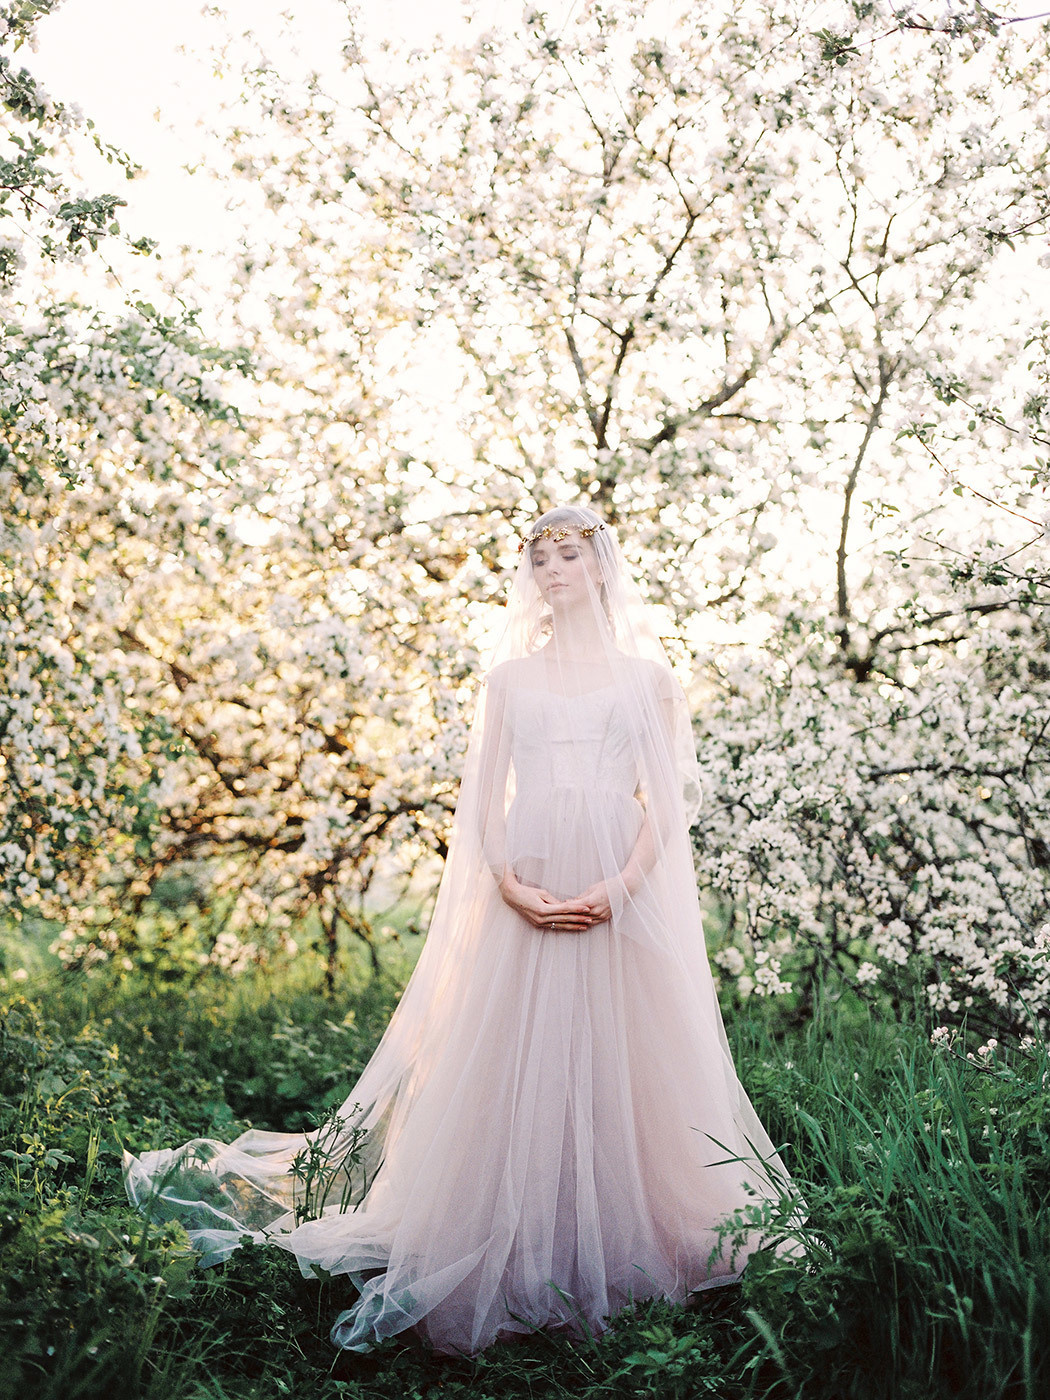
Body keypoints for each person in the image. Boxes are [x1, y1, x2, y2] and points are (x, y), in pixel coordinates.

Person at [124, 504, 794, 1356]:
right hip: (529, 876)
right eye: (539, 559)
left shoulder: (649, 680)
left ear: (600, 568)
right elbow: (482, 804)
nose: (552, 571)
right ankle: (506, 1234)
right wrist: (510, 884)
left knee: (629, 1058)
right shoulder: (510, 680)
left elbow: (665, 805)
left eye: (567, 556)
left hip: (615, 885)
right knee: (516, 1054)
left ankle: (630, 1235)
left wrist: (622, 886)